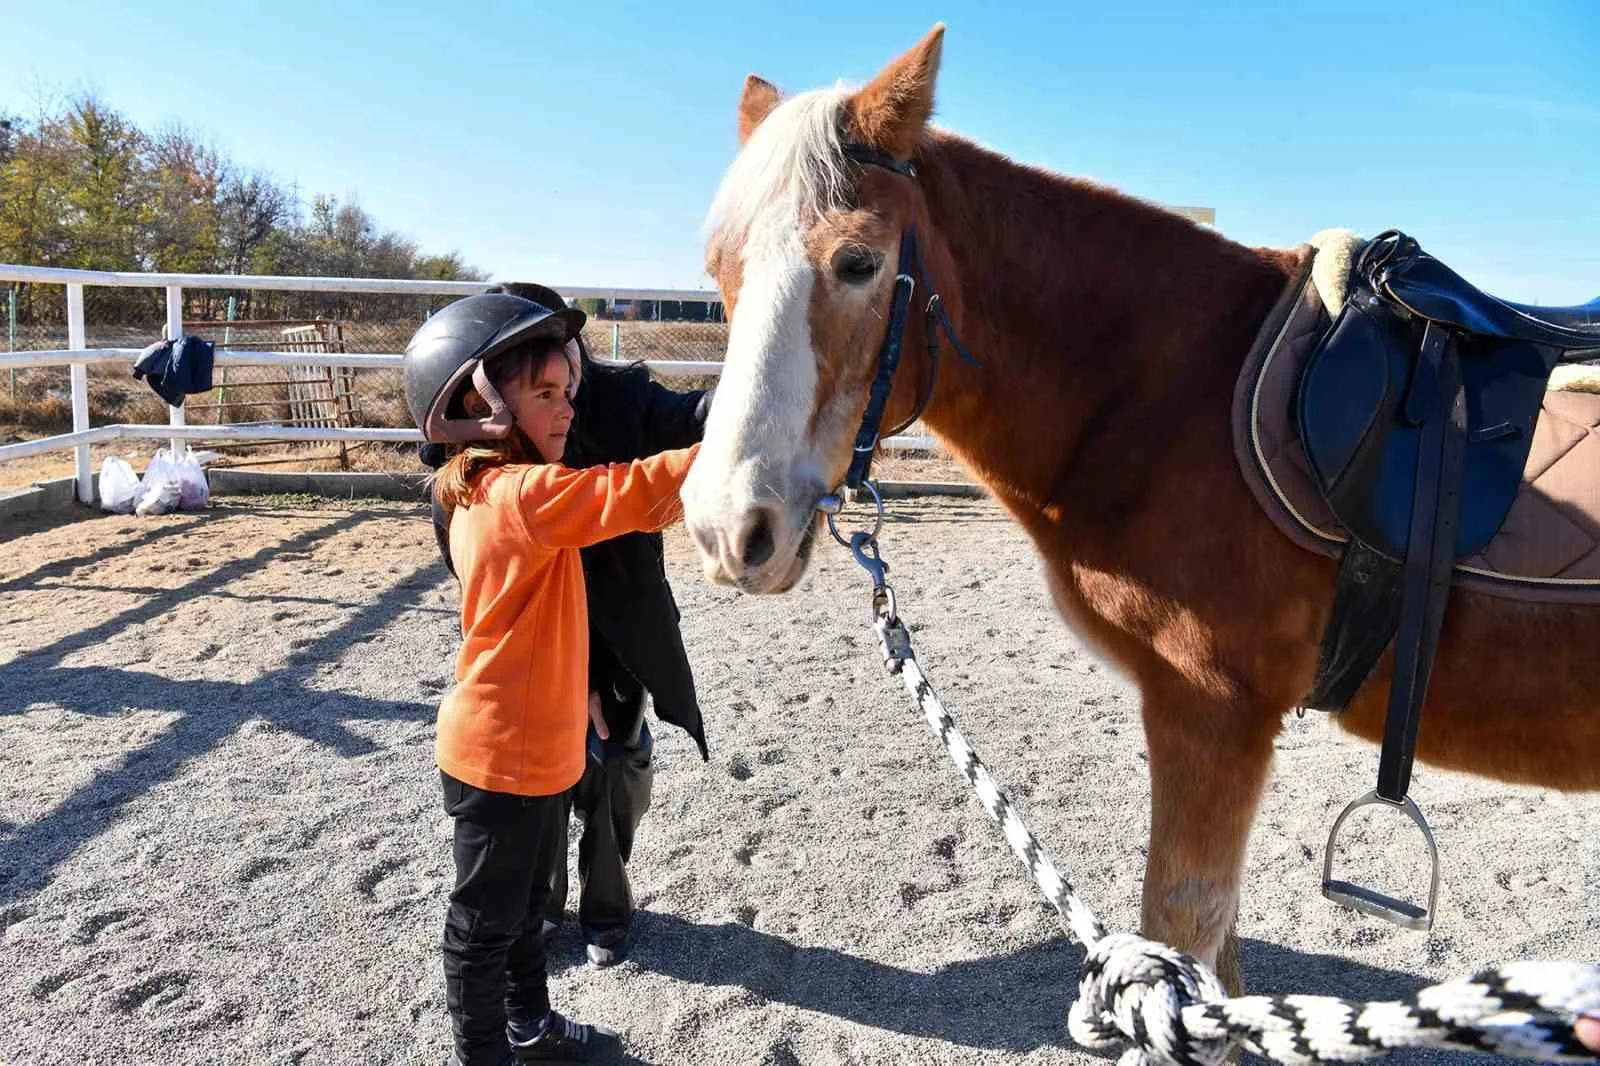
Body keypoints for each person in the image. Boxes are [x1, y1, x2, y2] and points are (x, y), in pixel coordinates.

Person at [403, 292, 699, 1066]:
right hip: (501, 757)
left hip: (535, 749)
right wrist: (745, 443)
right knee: (481, 929)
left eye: (568, 392)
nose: (566, 410)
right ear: (478, 404)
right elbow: (635, 493)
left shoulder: (477, 485)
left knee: (524, 909)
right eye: (544, 395)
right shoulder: (516, 495)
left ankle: (529, 1028)